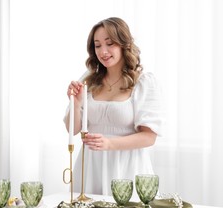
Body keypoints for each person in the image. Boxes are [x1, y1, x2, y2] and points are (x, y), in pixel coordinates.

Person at [64, 17, 163, 195]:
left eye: (110, 43)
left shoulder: (143, 82)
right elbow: (73, 130)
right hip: (91, 166)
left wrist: (109, 143)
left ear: (124, 44)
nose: (103, 51)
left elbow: (149, 137)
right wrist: (76, 102)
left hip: (127, 168)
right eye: (98, 45)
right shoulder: (88, 80)